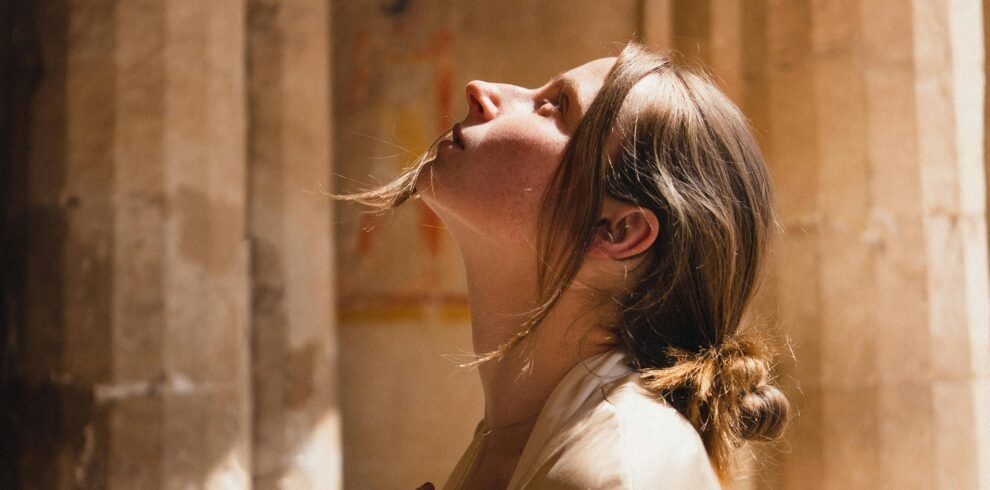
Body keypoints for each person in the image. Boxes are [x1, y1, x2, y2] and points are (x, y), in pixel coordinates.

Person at [334, 41, 790, 489]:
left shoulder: (619, 471)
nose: (481, 89)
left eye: (553, 106)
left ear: (615, 231)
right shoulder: (514, 439)